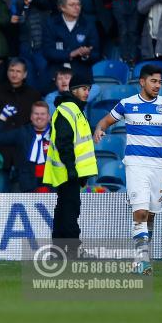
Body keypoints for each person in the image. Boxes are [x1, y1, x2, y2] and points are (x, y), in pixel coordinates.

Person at [93, 64, 162, 275]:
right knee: (140, 211)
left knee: (150, 214)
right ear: (142, 82)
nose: (158, 85)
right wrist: (99, 128)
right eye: (153, 81)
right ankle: (141, 260)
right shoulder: (127, 104)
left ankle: (143, 253)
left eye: (160, 82)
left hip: (157, 166)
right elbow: (105, 121)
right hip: (135, 164)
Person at [43, 74, 98, 259]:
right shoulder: (69, 110)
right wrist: (72, 168)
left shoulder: (72, 109)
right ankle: (74, 251)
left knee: (63, 210)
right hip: (68, 171)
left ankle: (57, 253)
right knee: (70, 210)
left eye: (88, 89)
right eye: (84, 89)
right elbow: (64, 143)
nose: (87, 92)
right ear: (73, 90)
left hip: (68, 171)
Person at [0, 58, 42, 192]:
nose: (14, 74)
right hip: (1, 150)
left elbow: (38, 121)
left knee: (27, 192)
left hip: (25, 151)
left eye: (18, 71)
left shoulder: (33, 94)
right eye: (11, 70)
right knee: (2, 191)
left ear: (25, 74)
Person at [0, 101, 52, 192]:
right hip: (26, 187)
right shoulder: (22, 132)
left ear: (48, 117)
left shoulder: (57, 134)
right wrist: (3, 116)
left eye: (42, 114)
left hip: (53, 187)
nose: (39, 117)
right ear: (31, 117)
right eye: (36, 114)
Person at [42, 0, 100, 82]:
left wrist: (86, 55)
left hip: (81, 76)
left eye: (78, 4)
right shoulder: (51, 24)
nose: (77, 7)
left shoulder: (88, 25)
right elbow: (47, 52)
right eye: (72, 5)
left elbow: (96, 53)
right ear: (62, 7)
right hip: (56, 75)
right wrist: (70, 54)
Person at [13, 0, 53, 94]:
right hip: (26, 48)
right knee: (29, 82)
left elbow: (45, 2)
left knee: (44, 80)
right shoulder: (20, 3)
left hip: (41, 48)